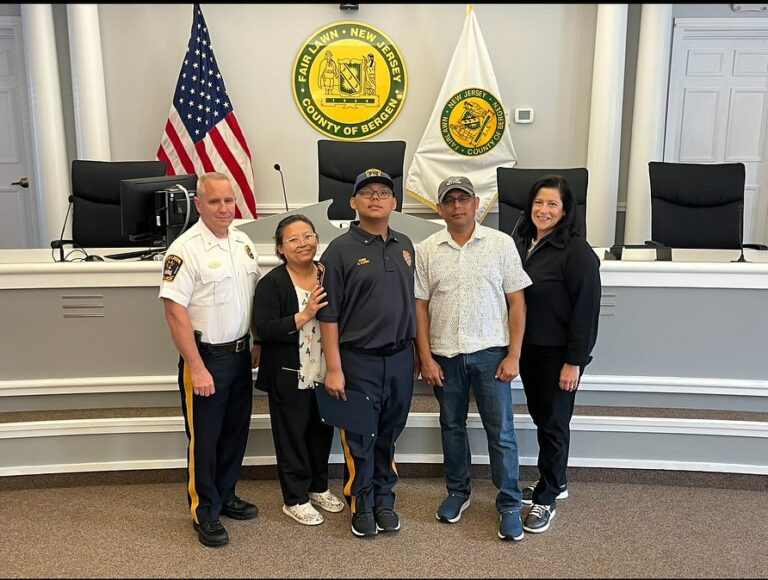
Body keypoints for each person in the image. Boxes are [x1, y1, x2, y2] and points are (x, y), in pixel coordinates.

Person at [415, 175, 531, 541]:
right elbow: (420, 307)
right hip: (444, 356)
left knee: (502, 433)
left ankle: (509, 502)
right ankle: (458, 492)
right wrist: (425, 358)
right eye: (449, 201)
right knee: (451, 427)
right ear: (439, 208)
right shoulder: (427, 249)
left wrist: (514, 354)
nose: (457, 207)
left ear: (476, 203)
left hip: (491, 354)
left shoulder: (500, 243)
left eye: (464, 199)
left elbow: (517, 302)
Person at [159, 172, 262, 548]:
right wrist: (197, 367)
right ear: (199, 204)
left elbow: (250, 300)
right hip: (205, 361)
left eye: (229, 201)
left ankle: (226, 494)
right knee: (204, 439)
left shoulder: (243, 243)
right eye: (215, 201)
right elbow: (174, 312)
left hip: (238, 356)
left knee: (235, 432)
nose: (223, 208)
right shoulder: (185, 250)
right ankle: (204, 511)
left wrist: (257, 342)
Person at [317, 168, 417, 538]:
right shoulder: (340, 249)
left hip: (401, 358)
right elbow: (329, 314)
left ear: (393, 202)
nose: (376, 198)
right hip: (358, 359)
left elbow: (414, 303)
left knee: (390, 432)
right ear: (353, 202)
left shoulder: (406, 245)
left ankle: (384, 498)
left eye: (383, 192)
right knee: (359, 435)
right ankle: (361, 502)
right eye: (367, 192)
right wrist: (334, 368)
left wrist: (417, 354)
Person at [512, 174, 601, 534]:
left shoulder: (577, 252)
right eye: (538, 202)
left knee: (553, 426)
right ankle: (556, 480)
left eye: (552, 204)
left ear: (565, 211)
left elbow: (586, 310)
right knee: (542, 420)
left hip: (559, 357)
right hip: (529, 352)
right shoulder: (522, 244)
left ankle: (547, 498)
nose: (543, 210)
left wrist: (574, 362)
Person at [251, 214, 345, 526]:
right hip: (289, 372)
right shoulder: (273, 283)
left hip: (326, 369)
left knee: (321, 432)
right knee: (292, 436)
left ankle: (318, 487)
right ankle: (295, 498)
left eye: (308, 236)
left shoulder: (329, 273)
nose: (302, 243)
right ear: (280, 248)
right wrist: (303, 315)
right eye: (293, 239)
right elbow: (264, 328)